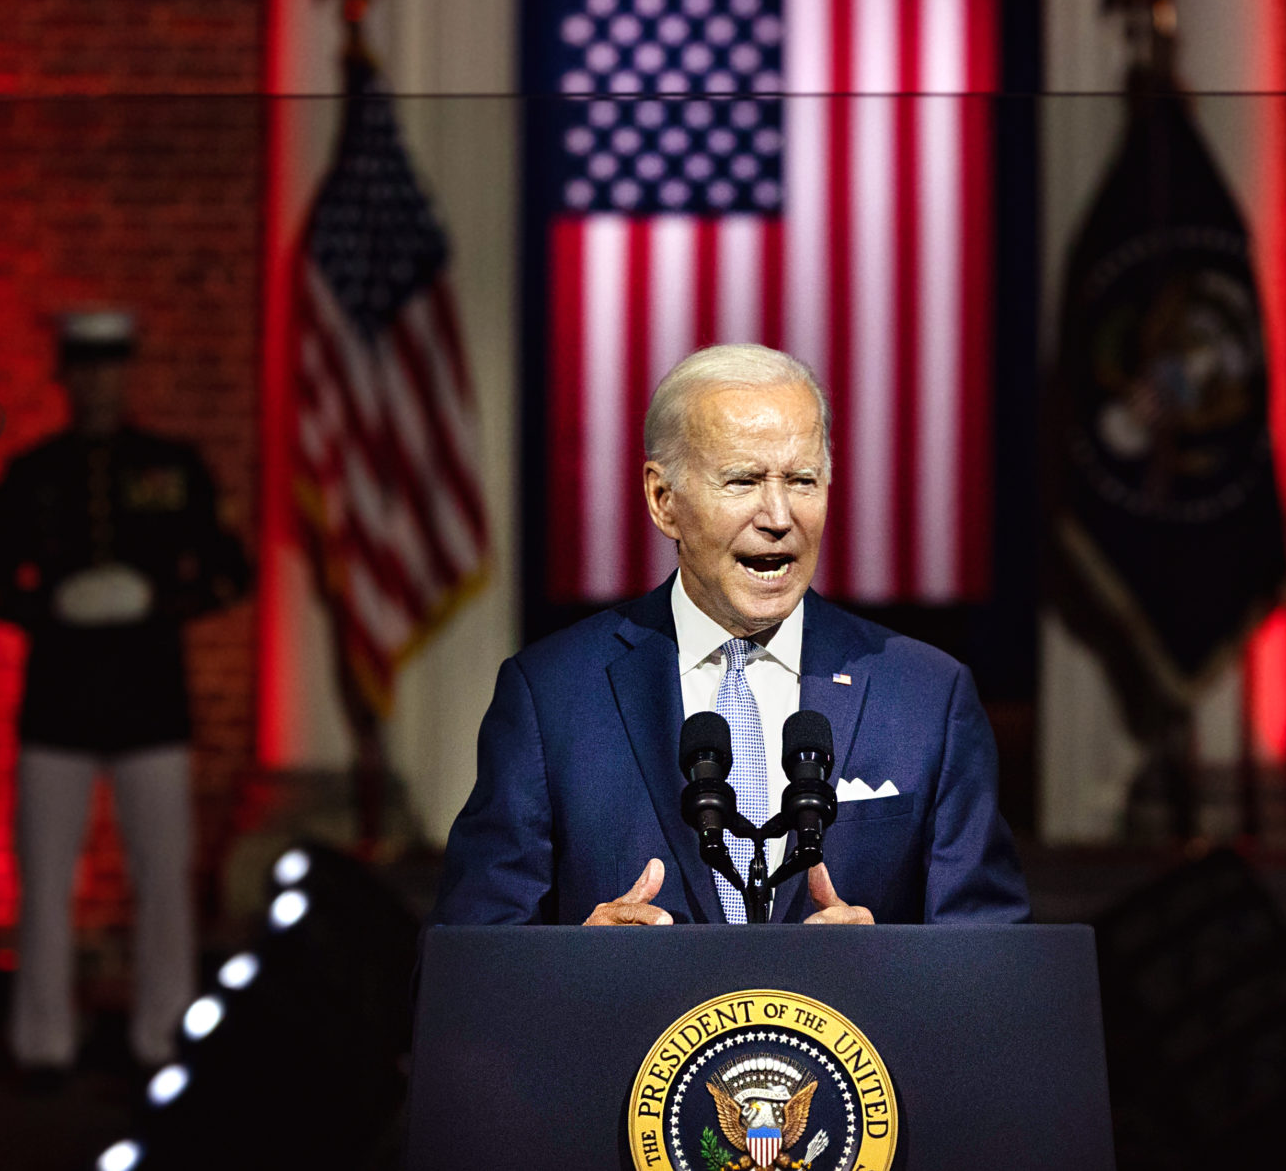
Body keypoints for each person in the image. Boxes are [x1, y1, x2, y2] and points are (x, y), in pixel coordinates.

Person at [431, 344, 1028, 926]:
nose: (777, 517)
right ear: (664, 501)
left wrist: (882, 977)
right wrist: (580, 972)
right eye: (743, 481)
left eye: (801, 480)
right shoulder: (550, 697)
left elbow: (996, 976)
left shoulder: (928, 698)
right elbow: (462, 976)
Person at [0, 310, 250, 1082]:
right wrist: (48, 604)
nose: (97, 383)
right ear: (67, 378)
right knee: (44, 881)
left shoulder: (173, 466)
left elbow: (230, 571)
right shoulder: (34, 473)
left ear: (126, 375)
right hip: (57, 706)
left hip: (150, 703)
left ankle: (164, 1035)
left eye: (109, 368)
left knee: (163, 878)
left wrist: (156, 600)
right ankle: (42, 1042)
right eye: (84, 370)